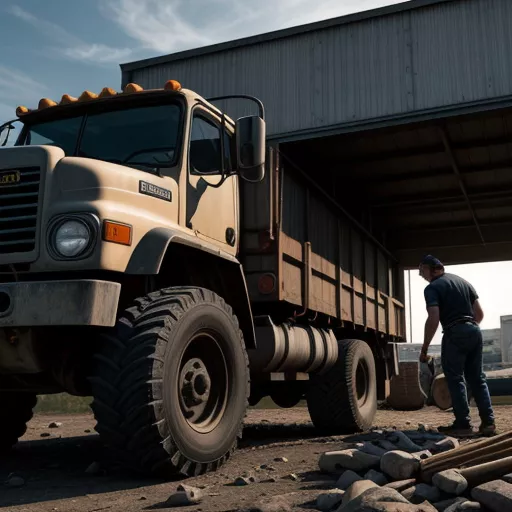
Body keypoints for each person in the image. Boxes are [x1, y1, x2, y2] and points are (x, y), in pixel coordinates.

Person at [418, 255, 496, 436]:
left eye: (423, 271)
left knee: (455, 378)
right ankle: (488, 423)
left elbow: (433, 318)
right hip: (474, 331)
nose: (422, 275)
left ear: (434, 269)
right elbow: (479, 314)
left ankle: (463, 425)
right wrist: (468, 329)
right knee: (477, 378)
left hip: (454, 332)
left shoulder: (432, 288)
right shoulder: (464, 282)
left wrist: (425, 348)